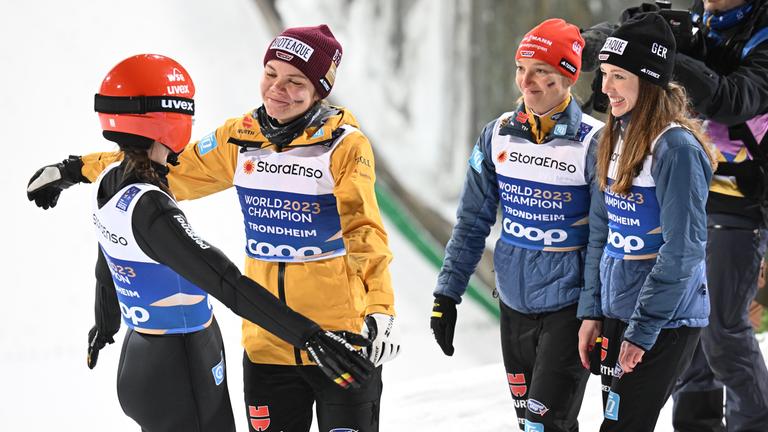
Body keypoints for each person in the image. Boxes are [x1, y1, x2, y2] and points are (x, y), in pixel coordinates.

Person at [27, 25, 399, 432]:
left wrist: (380, 308)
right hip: (267, 345)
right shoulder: (239, 139)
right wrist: (74, 169)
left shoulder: (344, 145)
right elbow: (162, 168)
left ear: (320, 91)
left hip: (340, 340)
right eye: (271, 74)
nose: (278, 89)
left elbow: (364, 229)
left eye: (296, 82)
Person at [430, 19, 603, 432]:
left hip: (569, 308)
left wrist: (598, 311)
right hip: (512, 303)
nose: (528, 81)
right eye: (522, 68)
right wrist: (447, 293)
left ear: (568, 76)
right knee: (528, 424)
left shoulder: (594, 141)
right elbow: (473, 220)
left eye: (542, 70)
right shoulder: (498, 134)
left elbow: (604, 236)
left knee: (546, 424)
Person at [576, 13, 716, 432]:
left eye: (618, 76)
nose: (605, 88)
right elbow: (602, 232)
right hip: (621, 307)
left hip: (665, 319)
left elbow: (683, 250)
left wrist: (642, 331)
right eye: (604, 75)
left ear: (648, 80)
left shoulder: (675, 148)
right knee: (616, 421)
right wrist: (592, 311)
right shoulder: (610, 138)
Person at [666, 1, 768, 430]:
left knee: (723, 332)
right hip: (690, 197)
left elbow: (732, 99)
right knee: (686, 332)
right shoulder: (696, 20)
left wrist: (665, 55)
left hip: (745, 202)